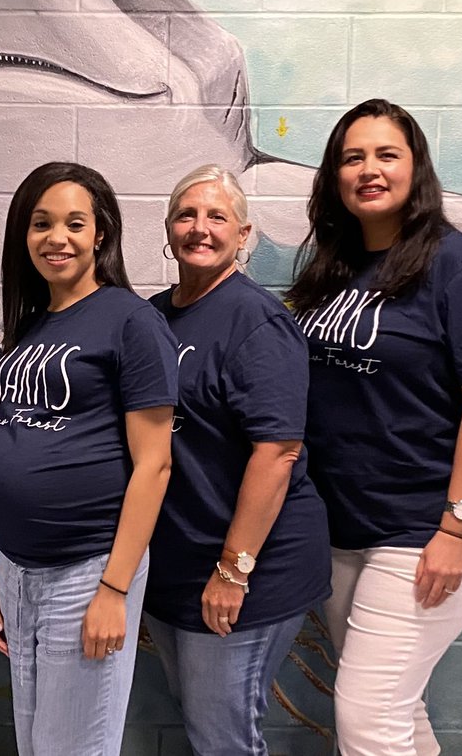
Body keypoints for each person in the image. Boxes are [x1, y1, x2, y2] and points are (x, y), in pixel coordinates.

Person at [288, 99, 462, 755]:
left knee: (365, 720)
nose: (369, 169)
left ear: (416, 170)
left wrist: (455, 526)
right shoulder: (333, 267)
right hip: (342, 529)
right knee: (392, 710)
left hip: (423, 533)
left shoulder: (458, 267)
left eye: (386, 154)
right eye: (353, 157)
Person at [0, 162, 177, 756]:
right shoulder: (32, 324)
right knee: (37, 743)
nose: (55, 237)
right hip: (16, 568)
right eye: (40, 224)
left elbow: (154, 465)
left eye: (73, 223)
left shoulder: (132, 321)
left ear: (101, 234)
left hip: (88, 568)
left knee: (75, 748)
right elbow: (9, 439)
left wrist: (114, 590)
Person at [143, 164, 331, 756]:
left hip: (246, 570)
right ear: (168, 228)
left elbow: (277, 453)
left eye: (216, 216)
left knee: (222, 738)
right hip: (175, 568)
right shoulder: (151, 316)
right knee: (203, 722)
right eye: (187, 215)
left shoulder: (259, 321)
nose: (200, 228)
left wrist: (233, 569)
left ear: (243, 234)